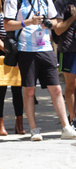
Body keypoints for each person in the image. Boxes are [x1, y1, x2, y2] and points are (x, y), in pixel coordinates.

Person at [3, 0, 76, 141]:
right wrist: (28, 22)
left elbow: (56, 21)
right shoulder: (13, 1)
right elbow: (7, 25)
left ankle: (66, 128)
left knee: (57, 89)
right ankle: (34, 130)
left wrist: (49, 23)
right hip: (25, 50)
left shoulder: (45, 0)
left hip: (46, 49)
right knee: (29, 90)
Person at [53, 0, 76, 130]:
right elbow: (58, 30)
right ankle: (72, 119)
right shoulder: (60, 3)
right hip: (68, 50)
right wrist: (72, 18)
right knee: (72, 85)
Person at [0, 0, 24, 136]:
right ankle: (1, 123)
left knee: (17, 89)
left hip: (17, 51)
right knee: (1, 90)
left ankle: (19, 121)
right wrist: (8, 50)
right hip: (3, 54)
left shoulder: (18, 10)